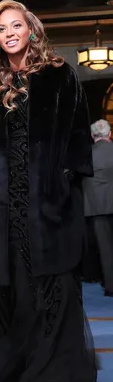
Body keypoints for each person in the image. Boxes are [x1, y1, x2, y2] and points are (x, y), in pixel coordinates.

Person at [0, 0, 97, 382]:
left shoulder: (58, 74)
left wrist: (63, 182)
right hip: (4, 207)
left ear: (31, 30)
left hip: (50, 204)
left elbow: (79, 137)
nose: (10, 32)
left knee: (56, 292)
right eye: (2, 28)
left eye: (17, 25)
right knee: (18, 292)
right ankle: (25, 370)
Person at [83, 119, 113, 297]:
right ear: (109, 134)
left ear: (93, 136)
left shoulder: (87, 156)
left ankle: (110, 285)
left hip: (97, 207)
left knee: (105, 248)